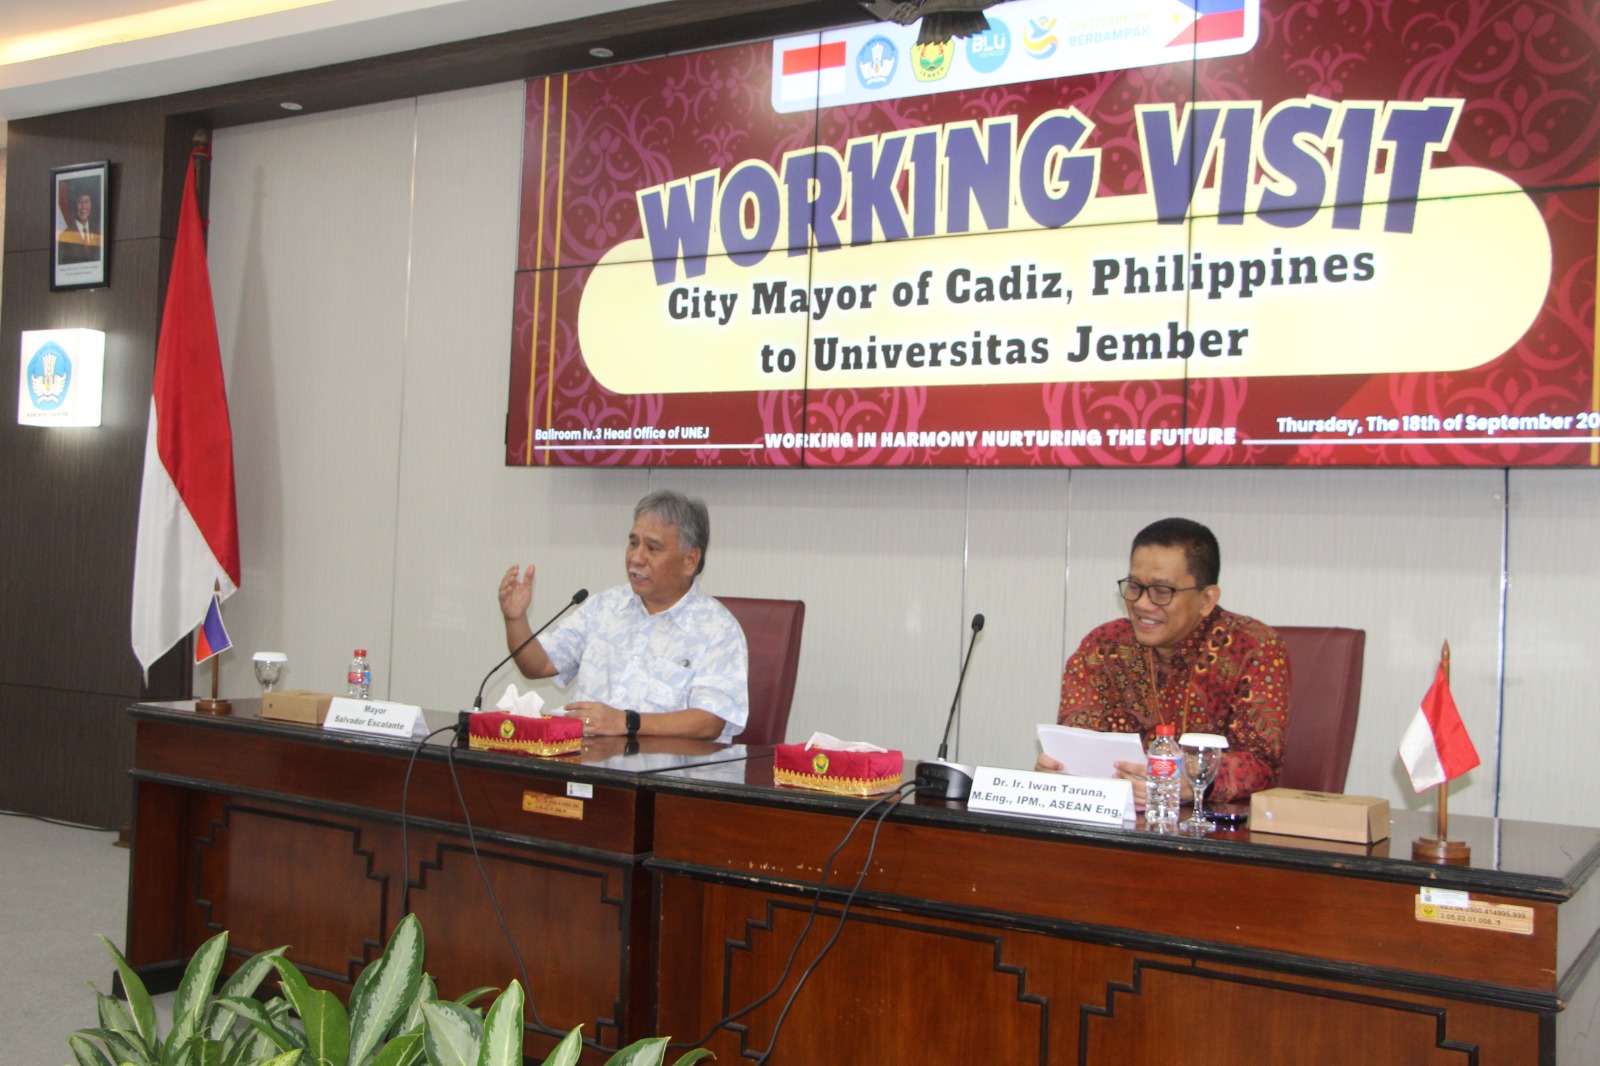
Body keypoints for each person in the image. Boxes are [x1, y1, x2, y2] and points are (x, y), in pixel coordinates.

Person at [1036, 517, 1290, 806]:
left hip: (1209, 826)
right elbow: (1077, 738)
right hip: (1116, 821)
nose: (1142, 604)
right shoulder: (1103, 647)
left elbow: (1261, 765)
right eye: (1135, 586)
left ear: (1207, 599)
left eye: (1162, 591)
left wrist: (1191, 780)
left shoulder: (1253, 648)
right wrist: (1059, 769)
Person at [497, 489, 748, 742]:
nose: (636, 558)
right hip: (581, 759)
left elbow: (710, 722)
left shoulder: (717, 629)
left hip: (661, 765)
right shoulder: (604, 607)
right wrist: (516, 620)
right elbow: (538, 665)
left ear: (690, 560)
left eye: (652, 548)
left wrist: (627, 722)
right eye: (633, 543)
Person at [57, 191, 102, 263]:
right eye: (80, 202)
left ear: (91, 204)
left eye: (86, 201)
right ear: (75, 205)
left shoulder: (98, 232)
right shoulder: (65, 236)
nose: (83, 207)